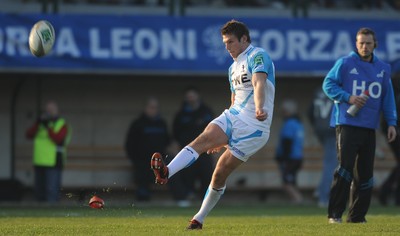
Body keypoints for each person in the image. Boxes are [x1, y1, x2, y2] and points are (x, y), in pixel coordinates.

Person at [150, 19, 275, 229]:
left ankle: (199, 217)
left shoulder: (258, 55)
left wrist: (260, 106)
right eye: (224, 43)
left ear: (244, 39)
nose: (227, 48)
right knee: (204, 138)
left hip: (255, 127)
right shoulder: (232, 68)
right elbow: (234, 100)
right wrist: (223, 137)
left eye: (230, 42)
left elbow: (258, 82)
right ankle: (166, 172)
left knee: (220, 172)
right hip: (234, 115)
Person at [322, 27, 397, 223]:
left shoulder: (383, 69)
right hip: (346, 124)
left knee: (365, 174)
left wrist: (392, 123)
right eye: (361, 43)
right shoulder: (345, 63)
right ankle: (335, 215)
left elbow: (387, 99)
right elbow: (328, 85)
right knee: (345, 168)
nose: (364, 46)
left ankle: (356, 217)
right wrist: (349, 97)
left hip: (369, 127)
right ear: (356, 44)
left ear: (375, 45)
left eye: (368, 43)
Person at [168, 87, 214, 205]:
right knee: (188, 174)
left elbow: (214, 130)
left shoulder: (206, 111)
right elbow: (175, 134)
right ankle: (189, 196)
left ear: (198, 95)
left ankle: (207, 200)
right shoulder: (181, 114)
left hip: (204, 151)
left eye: (192, 95)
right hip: (187, 151)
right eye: (188, 96)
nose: (191, 98)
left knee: (207, 173)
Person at [124, 97, 170, 201]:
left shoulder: (161, 123)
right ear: (145, 108)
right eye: (151, 107)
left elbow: (167, 141)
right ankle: (143, 195)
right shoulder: (138, 123)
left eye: (155, 107)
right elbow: (130, 144)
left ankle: (181, 198)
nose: (153, 110)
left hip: (160, 161)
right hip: (142, 160)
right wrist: (135, 158)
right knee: (142, 170)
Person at [26, 101, 71, 203]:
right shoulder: (40, 125)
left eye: (51, 110)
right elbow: (29, 134)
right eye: (47, 110)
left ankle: (52, 212)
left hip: (54, 161)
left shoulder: (61, 124)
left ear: (57, 111)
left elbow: (58, 139)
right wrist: (38, 123)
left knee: (52, 190)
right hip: (39, 161)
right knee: (39, 190)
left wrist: (48, 127)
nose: (49, 112)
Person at [308, 88, 337, 207]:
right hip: (332, 129)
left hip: (320, 129)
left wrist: (316, 126)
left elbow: (309, 112)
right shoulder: (336, 91)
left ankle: (320, 189)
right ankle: (323, 196)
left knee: (331, 163)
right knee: (331, 164)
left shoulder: (318, 93)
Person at [275, 99, 304, 204]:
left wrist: (283, 158)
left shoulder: (289, 124)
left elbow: (287, 142)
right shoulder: (298, 124)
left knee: (287, 182)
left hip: (290, 158)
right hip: (297, 157)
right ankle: (296, 200)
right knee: (291, 181)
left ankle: (298, 200)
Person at [379, 76, 400, 206]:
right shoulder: (396, 98)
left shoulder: (393, 96)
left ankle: (385, 192)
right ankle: (393, 195)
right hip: (396, 134)